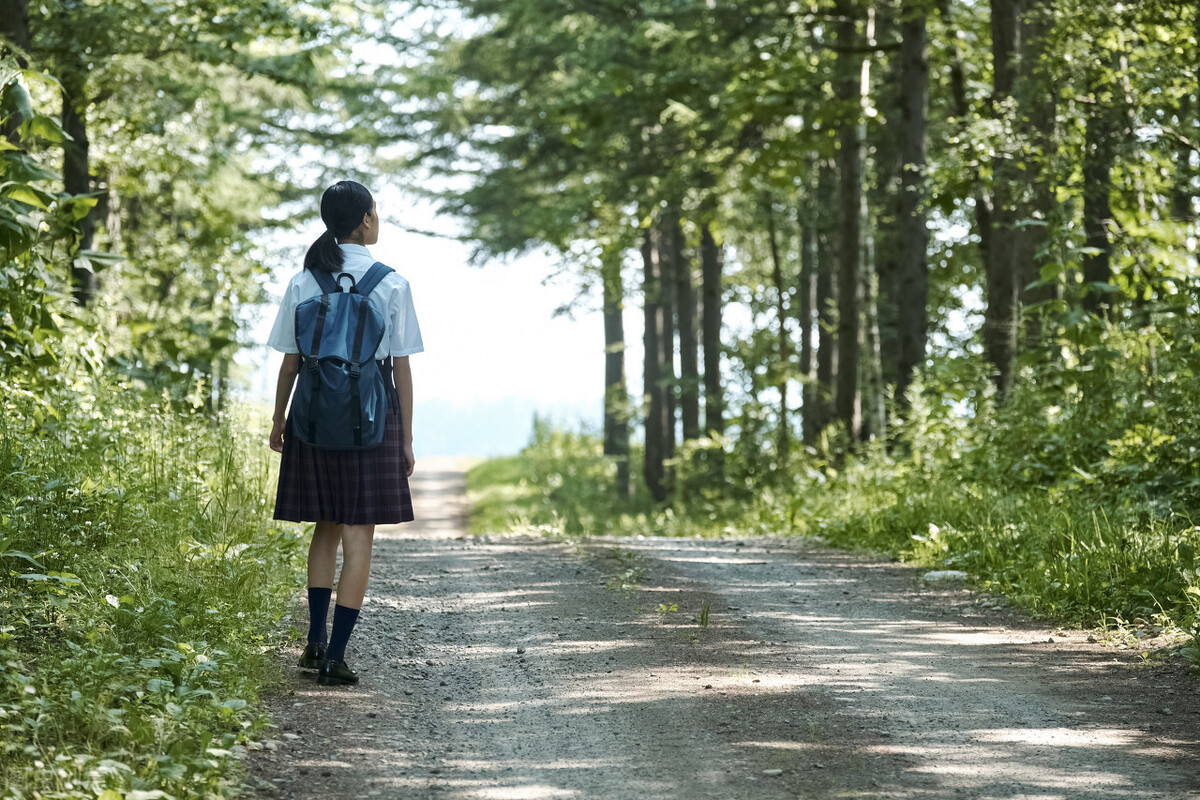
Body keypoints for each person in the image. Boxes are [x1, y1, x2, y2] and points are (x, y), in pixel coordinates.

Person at [266, 180, 423, 687]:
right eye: (375, 213)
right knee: (359, 535)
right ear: (365, 221)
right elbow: (400, 369)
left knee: (325, 526)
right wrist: (405, 438)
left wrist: (278, 419)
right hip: (373, 416)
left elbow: (291, 362)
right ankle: (336, 656)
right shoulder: (392, 283)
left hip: (311, 415)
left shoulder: (304, 280)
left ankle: (312, 644)